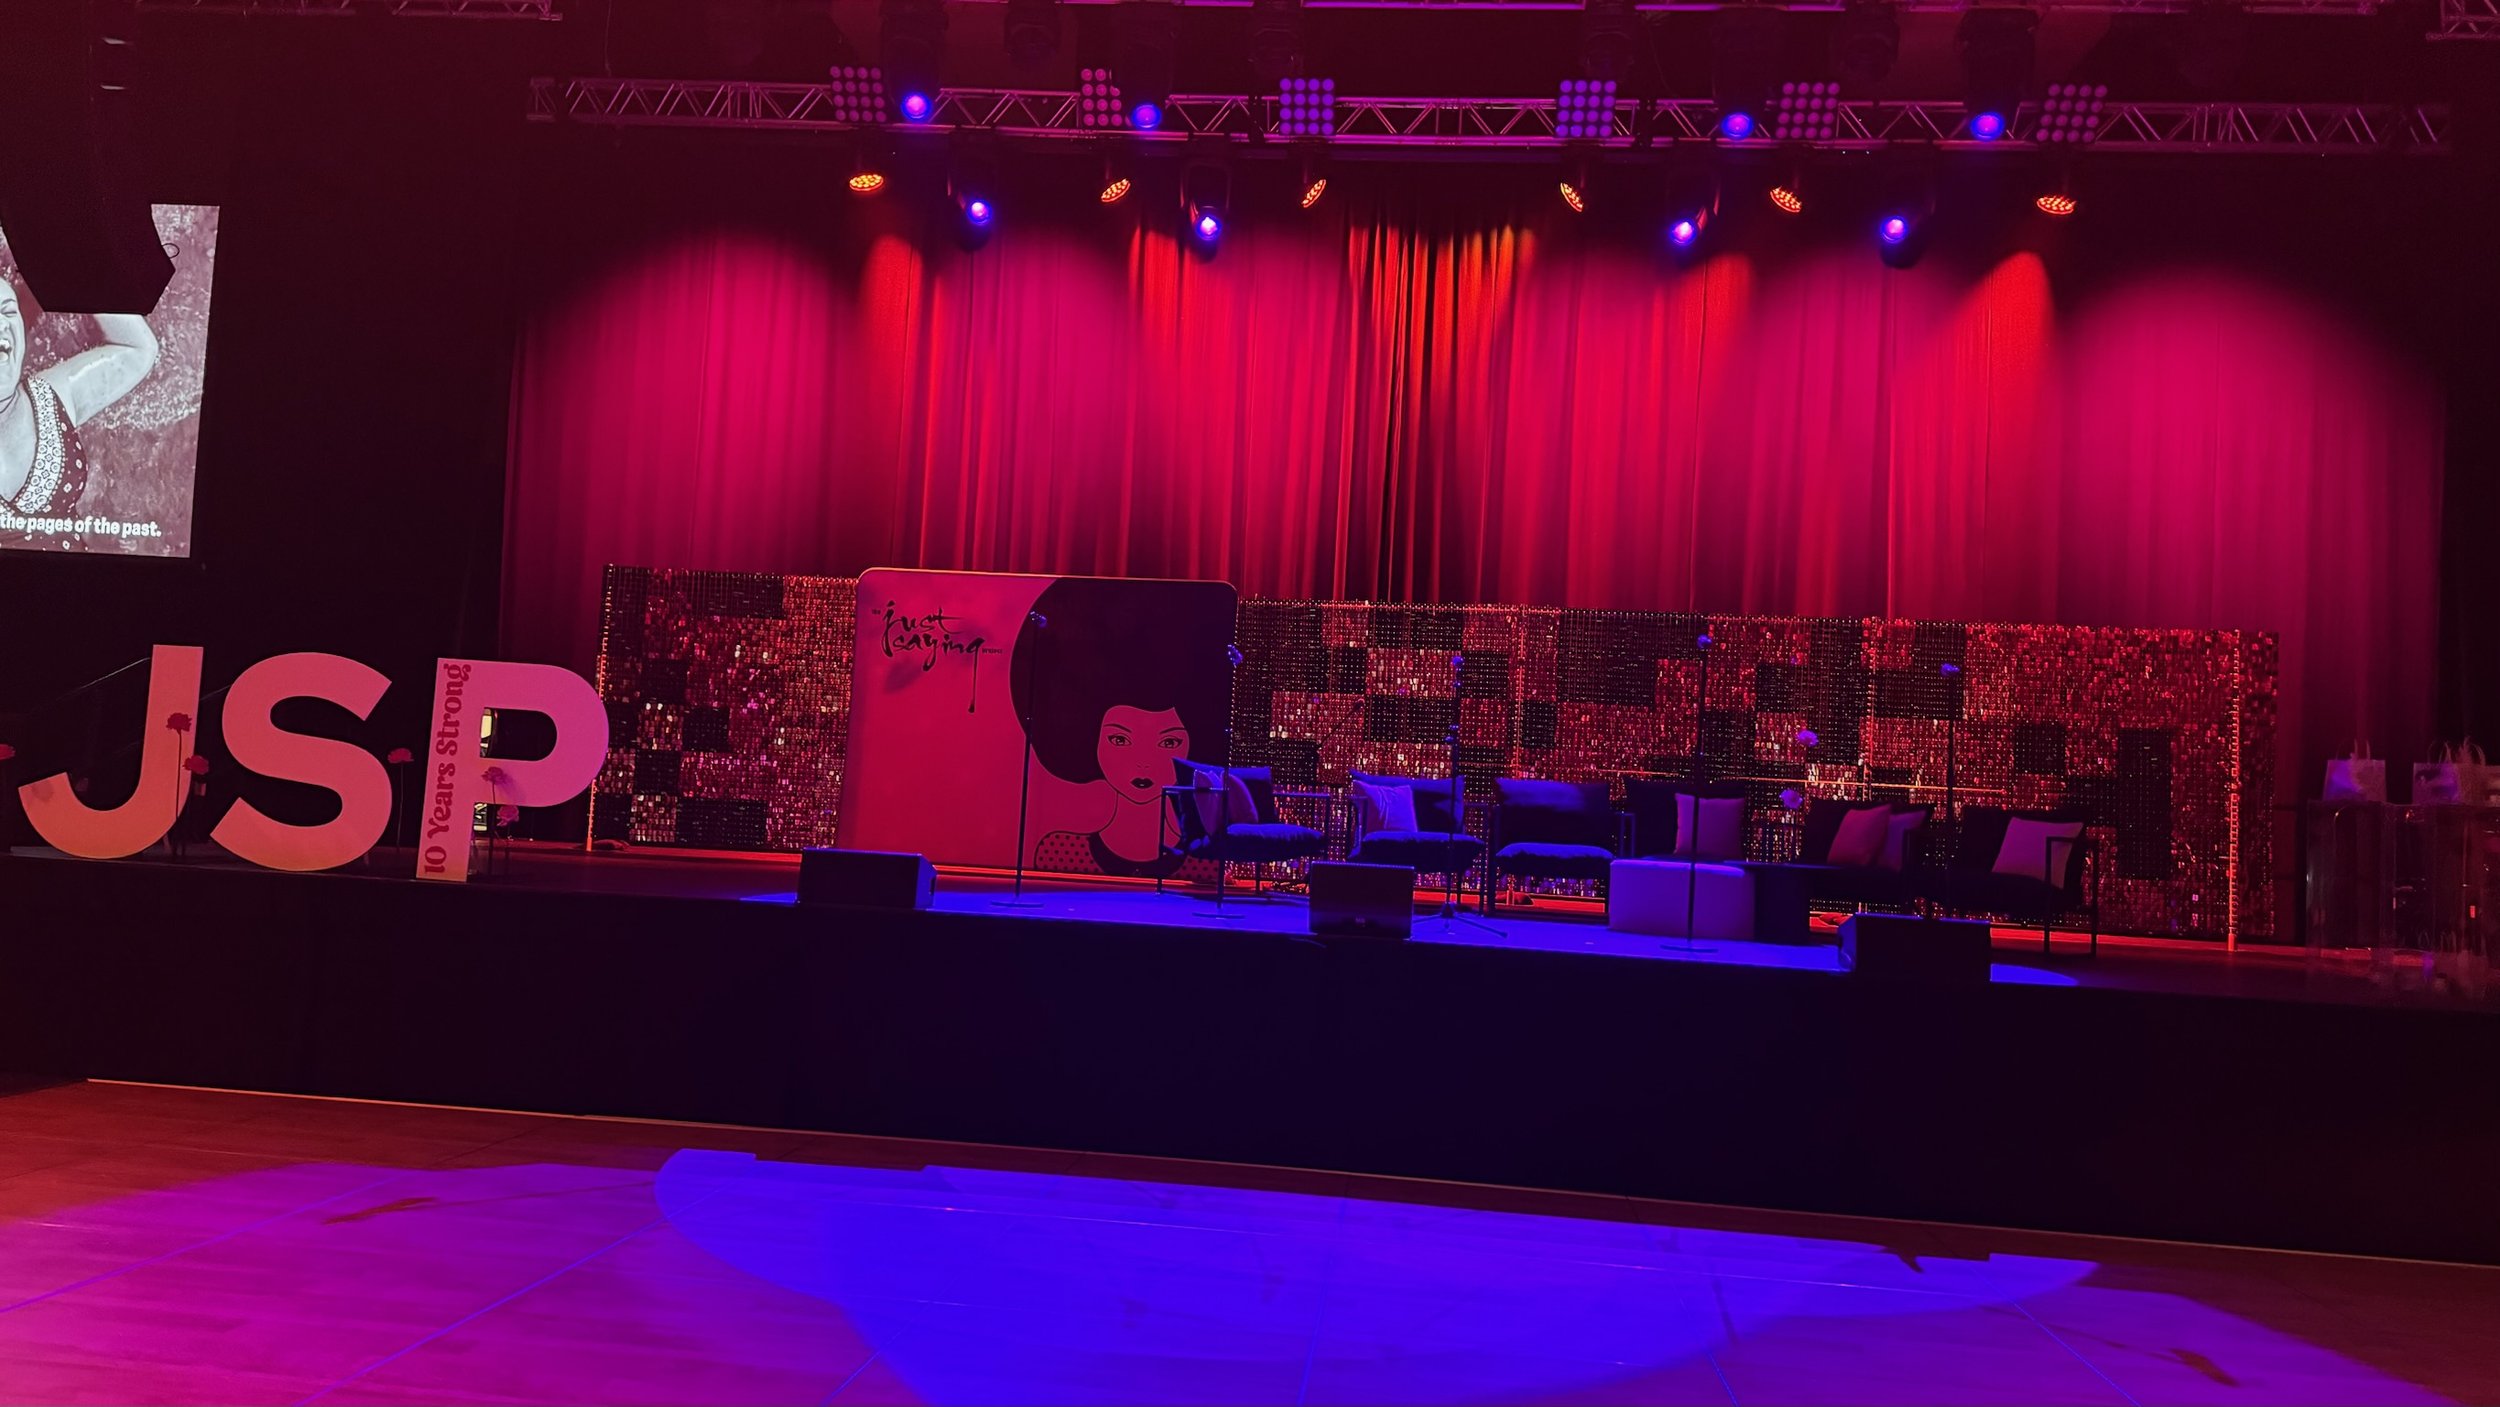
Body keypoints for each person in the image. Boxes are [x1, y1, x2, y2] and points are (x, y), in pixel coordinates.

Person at [1008, 577, 1233, 879]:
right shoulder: (1060, 850)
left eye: (1168, 743)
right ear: (1091, 736)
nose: (1143, 761)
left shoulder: (1202, 861)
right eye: (1119, 739)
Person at [0, 277, 160, 525]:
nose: (1, 324)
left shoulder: (49, 399)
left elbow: (137, 348)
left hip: (80, 565)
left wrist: (75, 255)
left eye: (8, 310)